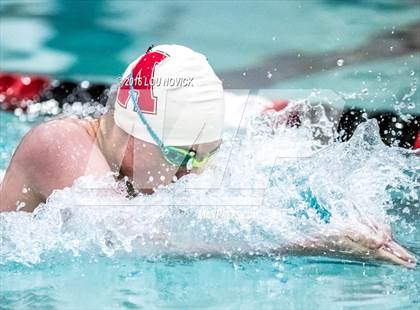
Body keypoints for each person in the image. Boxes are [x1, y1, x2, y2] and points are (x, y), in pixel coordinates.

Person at [0, 44, 224, 212]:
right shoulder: (58, 143)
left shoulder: (173, 164)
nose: (190, 174)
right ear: (133, 126)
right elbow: (129, 234)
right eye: (176, 155)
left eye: (203, 157)